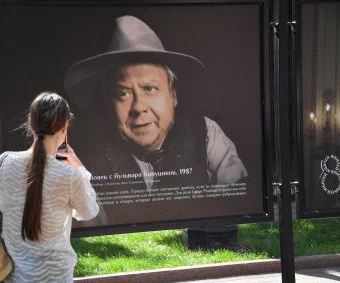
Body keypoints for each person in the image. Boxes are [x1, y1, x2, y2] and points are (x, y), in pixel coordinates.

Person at [64, 15, 247, 225]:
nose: (139, 107)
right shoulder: (86, 160)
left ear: (173, 95)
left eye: (150, 89)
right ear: (108, 104)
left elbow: (235, 202)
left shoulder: (206, 132)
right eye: (123, 93)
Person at [0, 92, 99, 282]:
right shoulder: (70, 175)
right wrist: (81, 170)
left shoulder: (4, 161)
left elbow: (6, 205)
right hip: (55, 275)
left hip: (13, 275)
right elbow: (88, 212)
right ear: (65, 127)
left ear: (30, 124)